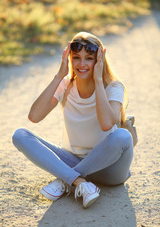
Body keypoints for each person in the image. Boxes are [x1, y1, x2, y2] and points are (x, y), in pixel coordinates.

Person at [12, 31, 133, 208]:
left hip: (110, 169)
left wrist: (98, 81)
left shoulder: (113, 86)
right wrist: (59, 76)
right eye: (76, 57)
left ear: (99, 60)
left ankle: (64, 180)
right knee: (20, 135)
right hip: (74, 160)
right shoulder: (66, 84)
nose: (82, 64)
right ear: (69, 58)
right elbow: (34, 116)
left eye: (89, 58)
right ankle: (79, 182)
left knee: (122, 136)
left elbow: (107, 124)